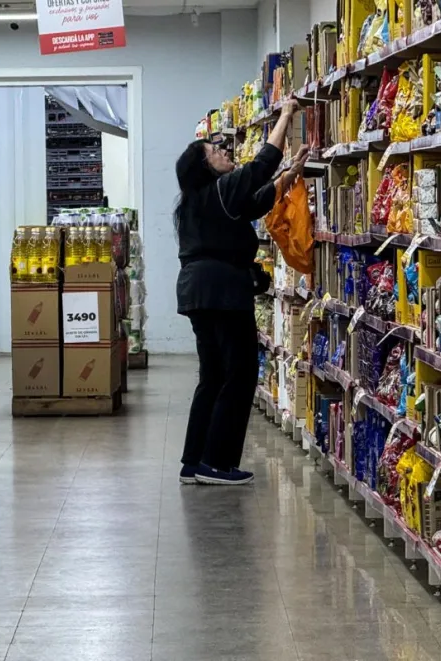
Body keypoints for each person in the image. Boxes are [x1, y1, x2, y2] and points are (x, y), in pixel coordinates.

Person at [174, 99, 309, 485]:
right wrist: (285, 115)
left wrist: (291, 173)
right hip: (222, 292)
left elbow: (255, 202)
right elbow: (260, 165)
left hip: (199, 292)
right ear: (205, 166)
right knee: (240, 373)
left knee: (213, 375)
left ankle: (194, 461)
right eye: (216, 151)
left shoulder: (201, 201)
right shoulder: (219, 189)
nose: (224, 151)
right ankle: (217, 463)